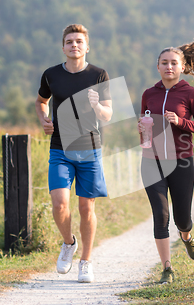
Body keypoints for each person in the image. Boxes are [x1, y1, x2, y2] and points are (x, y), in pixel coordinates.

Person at [138, 34, 194, 284]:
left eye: (174, 62)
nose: (169, 66)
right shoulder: (148, 94)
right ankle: (167, 268)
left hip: (182, 161)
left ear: (182, 66)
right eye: (164, 62)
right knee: (160, 215)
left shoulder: (190, 93)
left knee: (182, 218)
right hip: (152, 161)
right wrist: (143, 129)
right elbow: (144, 132)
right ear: (158, 66)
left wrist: (180, 121)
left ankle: (186, 236)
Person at [35, 24, 112, 283]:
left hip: (90, 148)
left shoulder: (99, 75)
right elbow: (40, 101)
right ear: (63, 47)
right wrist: (44, 119)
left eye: (79, 41)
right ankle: (69, 243)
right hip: (60, 148)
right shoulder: (51, 75)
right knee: (59, 204)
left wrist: (97, 106)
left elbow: (108, 114)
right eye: (69, 41)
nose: (74, 45)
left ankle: (86, 262)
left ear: (87, 46)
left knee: (85, 207)